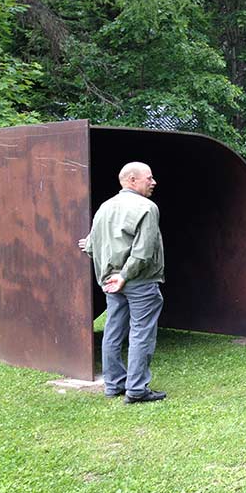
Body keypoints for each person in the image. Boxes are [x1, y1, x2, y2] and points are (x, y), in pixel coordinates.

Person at [80, 162, 166, 403]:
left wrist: (113, 275)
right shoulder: (147, 208)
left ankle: (114, 384)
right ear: (131, 180)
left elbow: (89, 246)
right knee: (141, 333)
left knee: (113, 331)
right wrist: (125, 275)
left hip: (111, 282)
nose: (153, 182)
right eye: (148, 178)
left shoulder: (105, 207)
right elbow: (143, 252)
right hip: (138, 281)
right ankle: (137, 390)